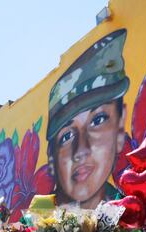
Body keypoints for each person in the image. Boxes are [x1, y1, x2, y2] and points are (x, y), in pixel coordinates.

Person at [46, 29, 129, 210]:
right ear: (51, 158)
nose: (81, 150)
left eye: (98, 120)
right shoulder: (29, 228)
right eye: (67, 136)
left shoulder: (139, 218)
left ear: (120, 130)